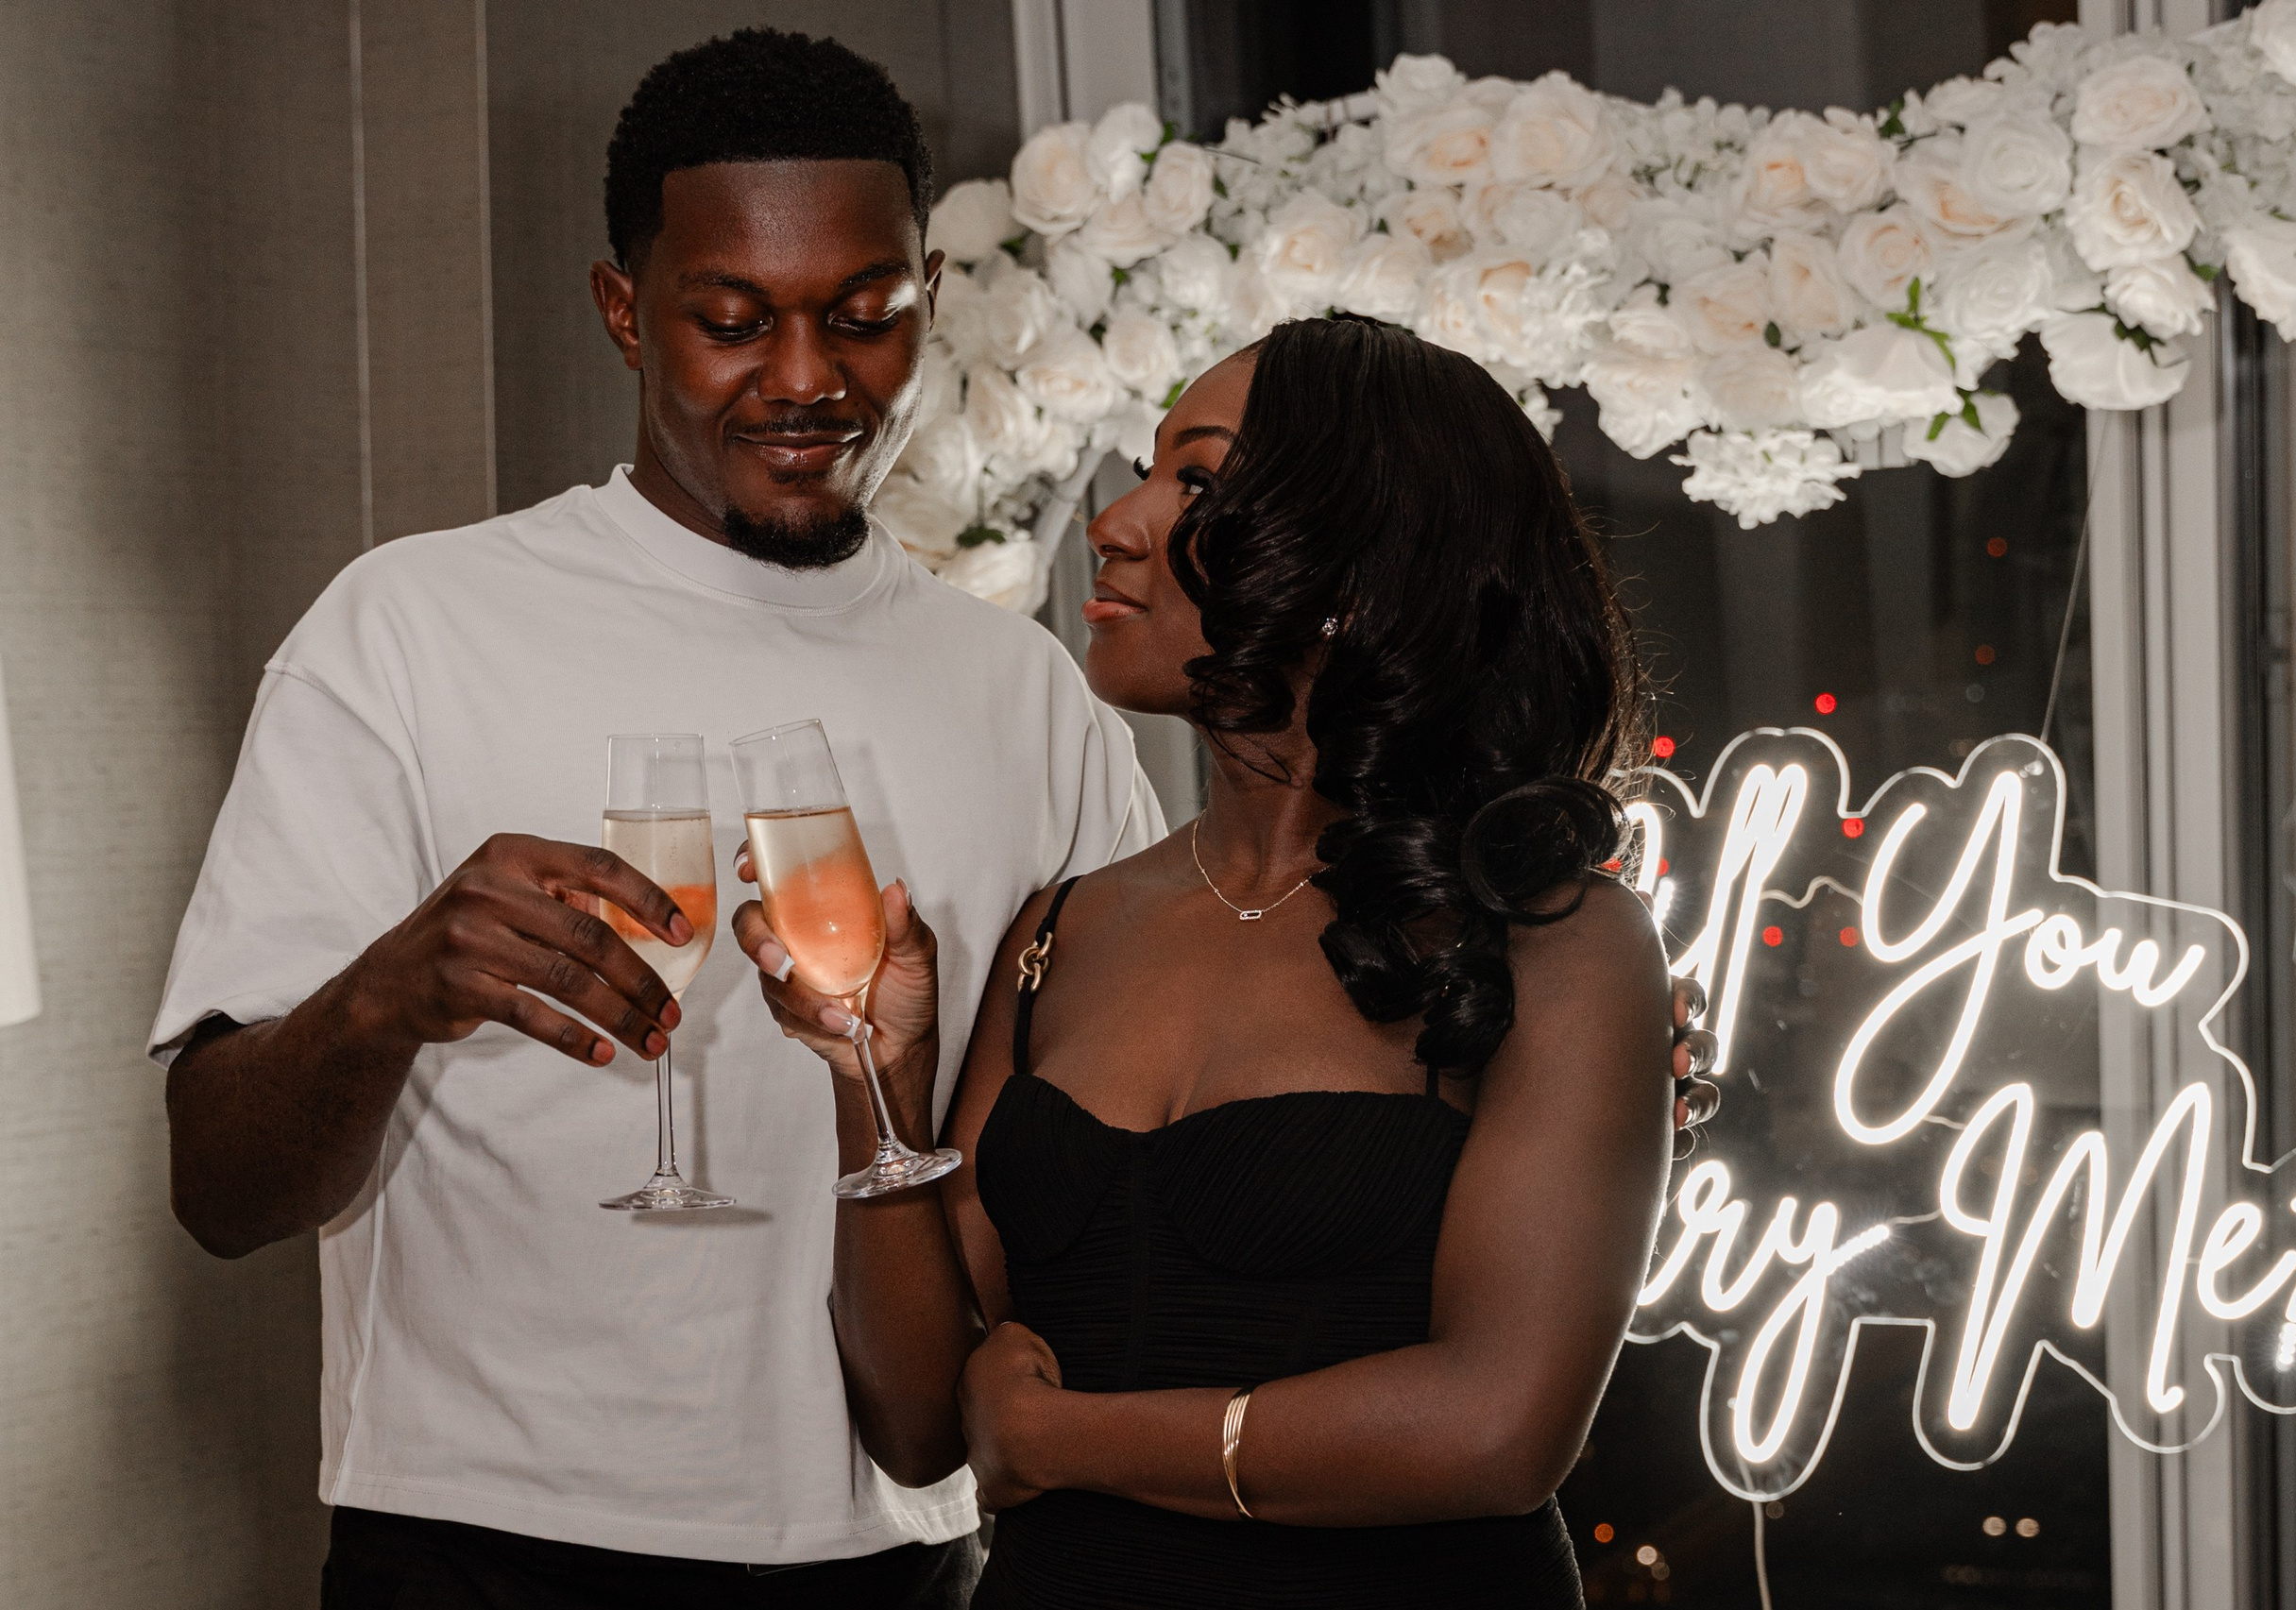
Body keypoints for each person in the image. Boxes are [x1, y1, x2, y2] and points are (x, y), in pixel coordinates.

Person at [149, 31, 1162, 1608]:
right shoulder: (405, 632)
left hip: (901, 1559)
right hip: (482, 1547)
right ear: (627, 311)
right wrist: (388, 992)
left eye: (865, 315)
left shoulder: (1032, 703)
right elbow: (218, 1186)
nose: (811, 378)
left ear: (927, 304)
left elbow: (1105, 1174)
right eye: (734, 321)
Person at [732, 314, 1712, 1608]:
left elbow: (1498, 1430)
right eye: (1145, 471)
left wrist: (1064, 1436)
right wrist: (873, 1064)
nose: (1119, 521)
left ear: (1361, 561)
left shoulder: (1559, 939)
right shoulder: (1060, 930)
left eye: (1192, 479)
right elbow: (919, 1422)